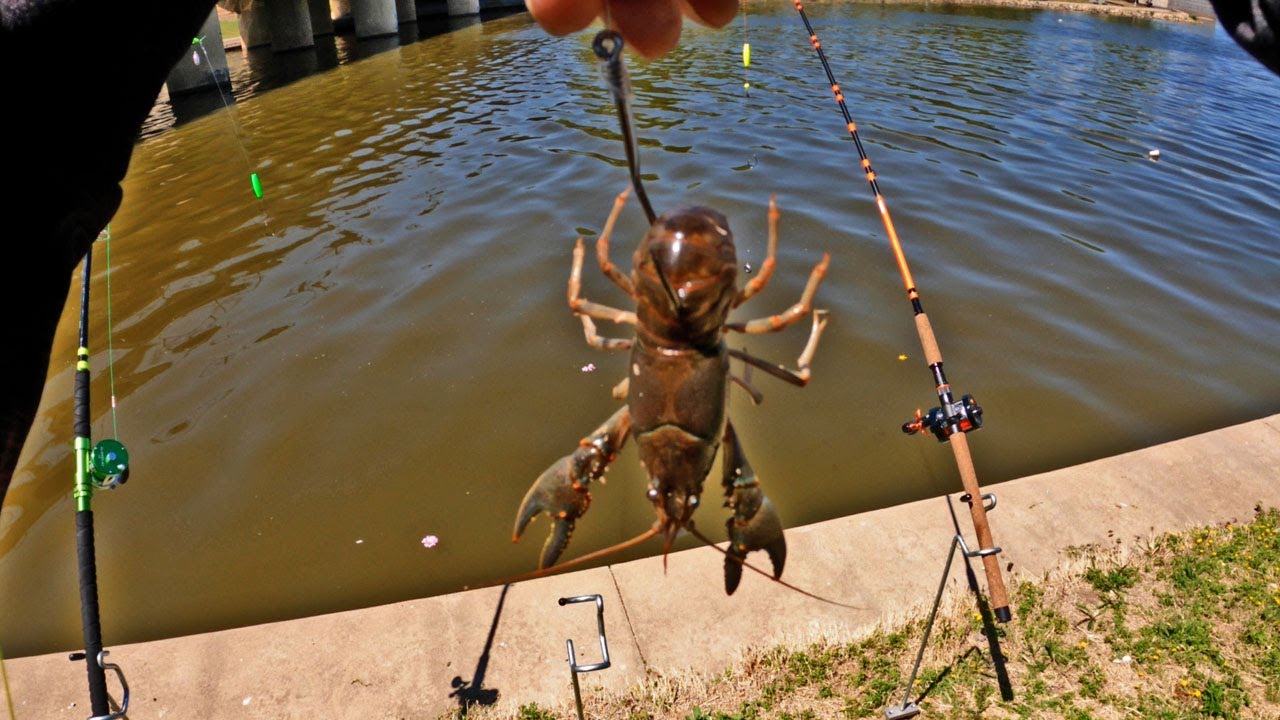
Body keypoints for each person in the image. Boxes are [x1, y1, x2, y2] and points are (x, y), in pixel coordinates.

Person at [0, 0, 1276, 514]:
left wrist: (674, 275)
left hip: (677, 316)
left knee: (667, 437)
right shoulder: (707, 359)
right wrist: (784, 288)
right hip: (693, 319)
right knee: (714, 442)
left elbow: (613, 304)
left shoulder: (645, 351)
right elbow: (771, 340)